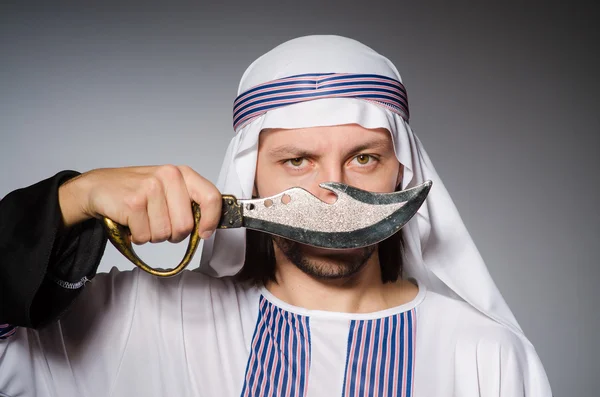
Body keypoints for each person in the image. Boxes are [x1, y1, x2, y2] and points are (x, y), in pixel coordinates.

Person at [0, 35, 552, 396]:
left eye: (364, 158)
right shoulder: (133, 323)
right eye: (296, 161)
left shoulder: (486, 359)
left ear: (402, 173)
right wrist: (72, 199)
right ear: (250, 177)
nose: (330, 192)